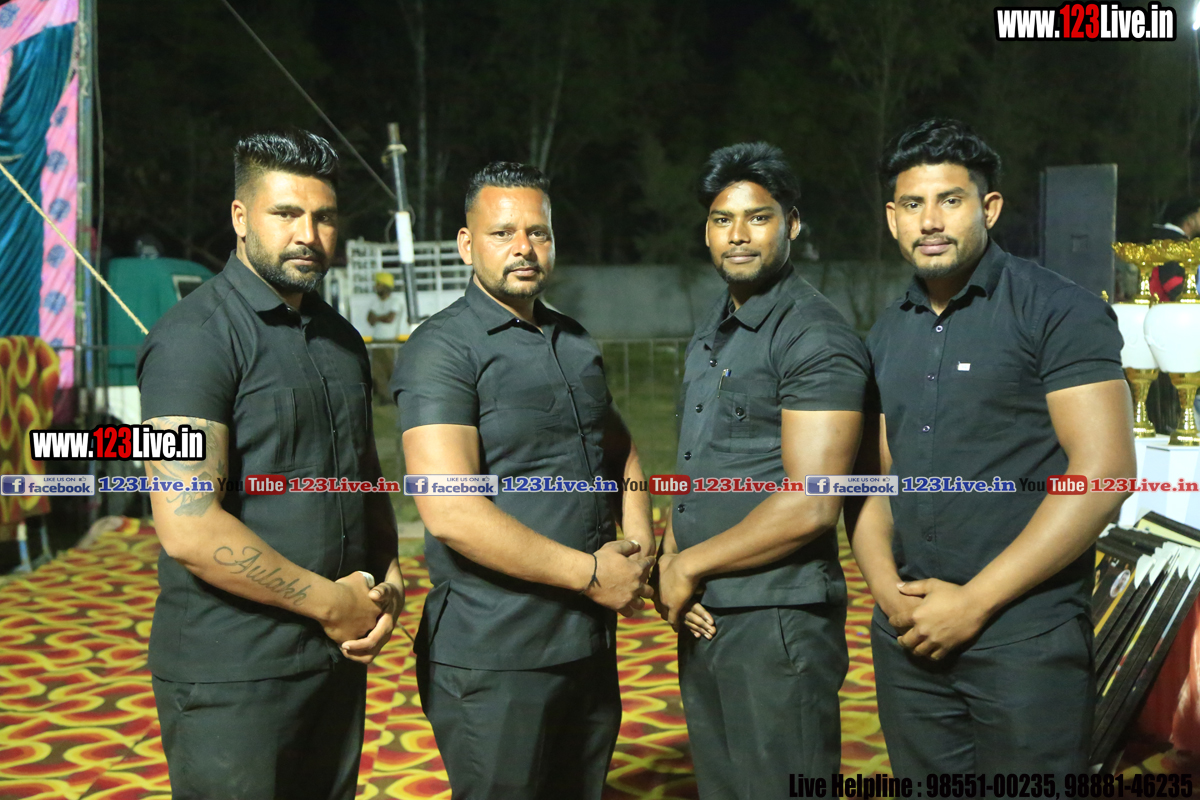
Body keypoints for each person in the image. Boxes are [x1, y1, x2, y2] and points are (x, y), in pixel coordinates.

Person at [848, 118, 1135, 778]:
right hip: (911, 638)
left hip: (1024, 638)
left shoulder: (1058, 309)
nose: (930, 221)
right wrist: (888, 594)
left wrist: (973, 604)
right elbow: (874, 481)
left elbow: (1105, 474)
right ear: (892, 218)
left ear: (990, 207)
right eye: (913, 204)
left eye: (950, 200)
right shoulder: (885, 332)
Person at [136, 129, 404, 800]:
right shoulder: (193, 340)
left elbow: (363, 475)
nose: (308, 234)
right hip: (232, 677)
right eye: (286, 213)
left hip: (334, 663)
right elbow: (188, 526)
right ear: (240, 216)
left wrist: (388, 579)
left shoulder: (342, 340)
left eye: (323, 217)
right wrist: (332, 604)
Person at [391, 161, 655, 799]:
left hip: (587, 643)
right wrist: (592, 574)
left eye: (538, 232)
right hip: (495, 655)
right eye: (502, 232)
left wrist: (640, 540)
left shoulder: (575, 341)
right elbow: (451, 511)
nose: (523, 248)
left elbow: (618, 447)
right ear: (466, 244)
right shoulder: (442, 349)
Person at [654, 142, 868, 798]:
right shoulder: (715, 328)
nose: (738, 235)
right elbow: (699, 462)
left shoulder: (814, 336)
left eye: (758, 217)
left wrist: (687, 567)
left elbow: (813, 502)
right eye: (722, 220)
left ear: (792, 224)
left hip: (777, 619)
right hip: (707, 611)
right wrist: (671, 558)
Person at [366, 271, 404, 402]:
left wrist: (377, 317)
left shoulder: (395, 301)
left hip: (390, 341)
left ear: (386, 286)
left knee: (390, 369)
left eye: (379, 284)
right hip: (377, 341)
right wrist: (381, 317)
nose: (376, 287)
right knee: (377, 371)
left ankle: (395, 396)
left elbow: (390, 318)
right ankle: (385, 397)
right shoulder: (375, 301)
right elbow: (370, 320)